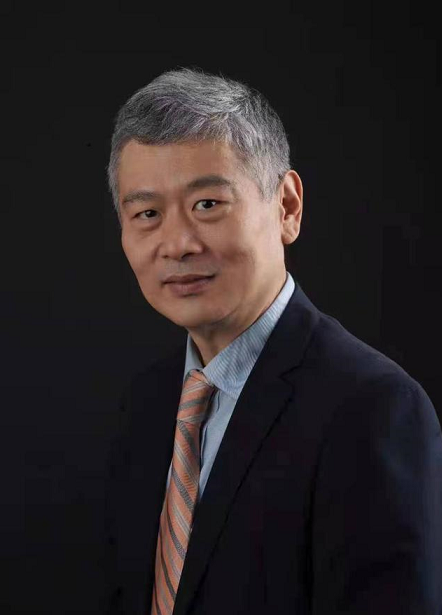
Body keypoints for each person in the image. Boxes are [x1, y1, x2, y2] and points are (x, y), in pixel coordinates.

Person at [103, 67, 442, 615]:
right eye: (147, 214)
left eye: (207, 204)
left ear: (286, 206)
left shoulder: (373, 409)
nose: (177, 243)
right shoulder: (146, 405)